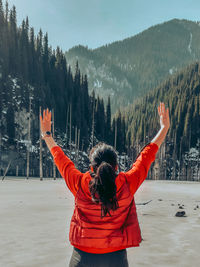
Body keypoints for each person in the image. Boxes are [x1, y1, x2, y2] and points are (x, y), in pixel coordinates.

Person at [40, 102, 170, 267]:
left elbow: (61, 160)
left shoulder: (80, 183)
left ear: (91, 168)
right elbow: (146, 157)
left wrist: (47, 135)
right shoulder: (127, 184)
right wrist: (164, 128)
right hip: (115, 259)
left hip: (82, 258)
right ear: (116, 167)